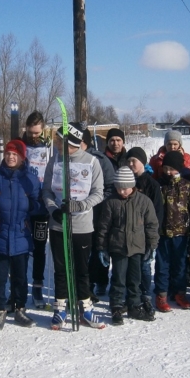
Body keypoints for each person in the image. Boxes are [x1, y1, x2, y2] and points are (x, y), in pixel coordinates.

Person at [42, 123, 104, 330]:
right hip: (59, 225)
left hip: (82, 225)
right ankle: (61, 307)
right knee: (61, 268)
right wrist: (54, 210)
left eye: (61, 141)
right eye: (57, 140)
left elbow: (98, 192)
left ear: (74, 143)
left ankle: (85, 306)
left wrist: (80, 205)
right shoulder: (55, 161)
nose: (57, 144)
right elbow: (47, 192)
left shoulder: (92, 162)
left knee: (81, 269)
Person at [0, 140, 42, 329]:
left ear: (22, 157)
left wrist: (31, 206)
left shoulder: (30, 179)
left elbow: (39, 204)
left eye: (15, 154)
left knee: (20, 277)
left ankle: (20, 309)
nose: (11, 157)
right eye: (8, 154)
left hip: (21, 235)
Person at [95, 166, 159, 325]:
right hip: (118, 248)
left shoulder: (144, 201)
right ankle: (116, 306)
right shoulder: (111, 202)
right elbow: (103, 226)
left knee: (135, 279)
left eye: (125, 188)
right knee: (118, 278)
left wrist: (152, 246)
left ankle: (134, 305)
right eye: (118, 188)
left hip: (137, 247)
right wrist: (101, 247)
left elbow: (152, 225)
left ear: (132, 186)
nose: (122, 191)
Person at [154, 151, 190, 312]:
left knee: (180, 266)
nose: (168, 172)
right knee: (162, 267)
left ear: (179, 169)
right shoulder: (160, 186)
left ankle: (179, 293)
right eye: (166, 168)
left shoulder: (187, 187)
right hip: (162, 235)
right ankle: (161, 295)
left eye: (172, 169)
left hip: (181, 235)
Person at [18, 111, 51, 308]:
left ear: (43, 129)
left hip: (40, 207)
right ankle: (19, 288)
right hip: (21, 205)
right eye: (31, 132)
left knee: (39, 248)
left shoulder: (49, 147)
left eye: (37, 133)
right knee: (20, 248)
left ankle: (37, 287)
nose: (34, 136)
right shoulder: (19, 145)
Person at [125, 147, 163, 305]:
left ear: (142, 161)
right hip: (130, 231)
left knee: (145, 265)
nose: (131, 164)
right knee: (131, 265)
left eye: (134, 160)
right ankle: (132, 291)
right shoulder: (126, 181)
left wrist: (153, 234)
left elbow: (157, 210)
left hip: (145, 231)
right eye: (129, 161)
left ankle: (146, 292)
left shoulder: (151, 183)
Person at [81, 126, 115, 298]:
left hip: (96, 212)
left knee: (97, 247)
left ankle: (97, 281)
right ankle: (82, 284)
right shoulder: (65, 158)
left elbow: (110, 186)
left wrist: (96, 202)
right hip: (76, 213)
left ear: (84, 142)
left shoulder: (99, 159)